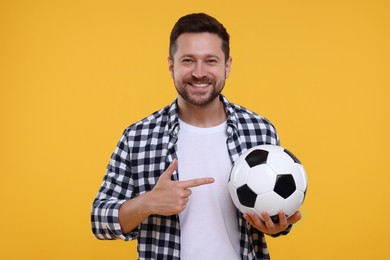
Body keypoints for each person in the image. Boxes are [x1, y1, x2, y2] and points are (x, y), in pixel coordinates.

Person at [91, 13, 302, 260]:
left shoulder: (260, 130)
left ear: (227, 66)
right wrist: (147, 202)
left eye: (210, 60)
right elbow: (99, 220)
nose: (199, 73)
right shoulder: (138, 136)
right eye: (188, 60)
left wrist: (278, 225)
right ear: (172, 66)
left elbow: (277, 213)